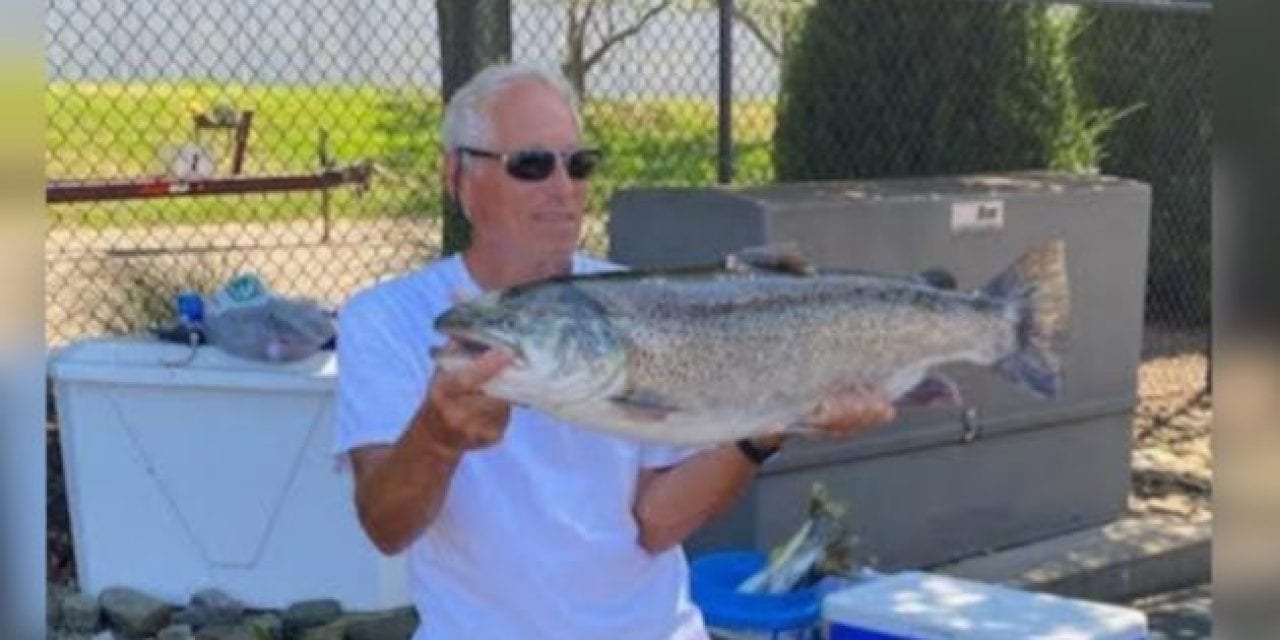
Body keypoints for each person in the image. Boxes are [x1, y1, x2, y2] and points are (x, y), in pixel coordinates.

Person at [332, 62, 897, 640]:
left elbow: (653, 523)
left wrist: (773, 424)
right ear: (458, 176)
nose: (562, 188)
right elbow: (386, 527)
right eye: (530, 164)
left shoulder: (635, 301)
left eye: (578, 164)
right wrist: (437, 436)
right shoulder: (390, 320)